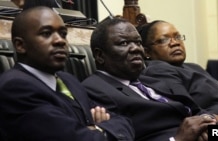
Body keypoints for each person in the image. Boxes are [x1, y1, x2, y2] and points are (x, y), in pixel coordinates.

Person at [0, 6, 134, 141]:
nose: (60, 40)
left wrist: (97, 129)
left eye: (63, 34)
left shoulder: (68, 80)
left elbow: (124, 123)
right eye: (46, 33)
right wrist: (103, 129)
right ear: (20, 45)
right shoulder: (15, 87)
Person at [81, 17, 218, 141]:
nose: (136, 49)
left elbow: (194, 109)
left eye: (138, 42)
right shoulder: (95, 89)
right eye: (124, 43)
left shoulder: (152, 78)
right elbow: (121, 135)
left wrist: (209, 121)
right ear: (99, 55)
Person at [136, 20, 218, 116]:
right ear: (147, 52)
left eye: (177, 37)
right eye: (164, 40)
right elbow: (189, 110)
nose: (175, 43)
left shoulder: (193, 66)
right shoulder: (158, 70)